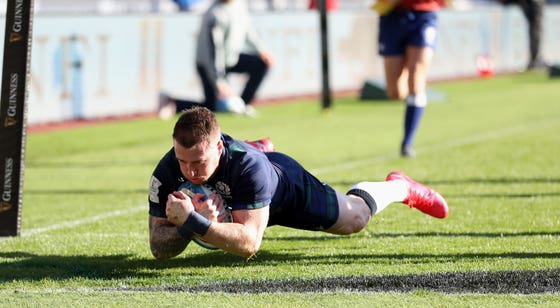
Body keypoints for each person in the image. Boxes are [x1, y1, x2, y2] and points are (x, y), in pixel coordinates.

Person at [148, 107, 449, 260]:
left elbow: (249, 244)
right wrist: (188, 226)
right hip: (245, 188)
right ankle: (258, 145)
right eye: (182, 160)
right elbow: (159, 248)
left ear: (218, 147)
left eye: (198, 163)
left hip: (283, 190)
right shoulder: (167, 170)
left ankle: (399, 187)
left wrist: (193, 221)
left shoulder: (248, 168)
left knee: (355, 219)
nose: (189, 171)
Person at [359, 0, 464, 158]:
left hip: (424, 16)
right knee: (395, 91)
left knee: (418, 75)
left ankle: (407, 143)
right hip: (393, 18)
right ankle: (411, 101)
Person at [159, 0, 274, 118]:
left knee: (261, 64)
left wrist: (262, 50)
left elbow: (248, 30)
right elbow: (213, 52)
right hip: (208, 64)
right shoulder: (215, 14)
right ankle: (174, 102)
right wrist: (220, 82)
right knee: (212, 108)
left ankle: (243, 104)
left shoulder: (240, 3)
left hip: (230, 58)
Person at [487, 0, 546, 70]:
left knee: (535, 34)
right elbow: (510, 0)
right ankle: (534, 60)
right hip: (533, 12)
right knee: (534, 34)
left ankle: (535, 61)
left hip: (536, 12)